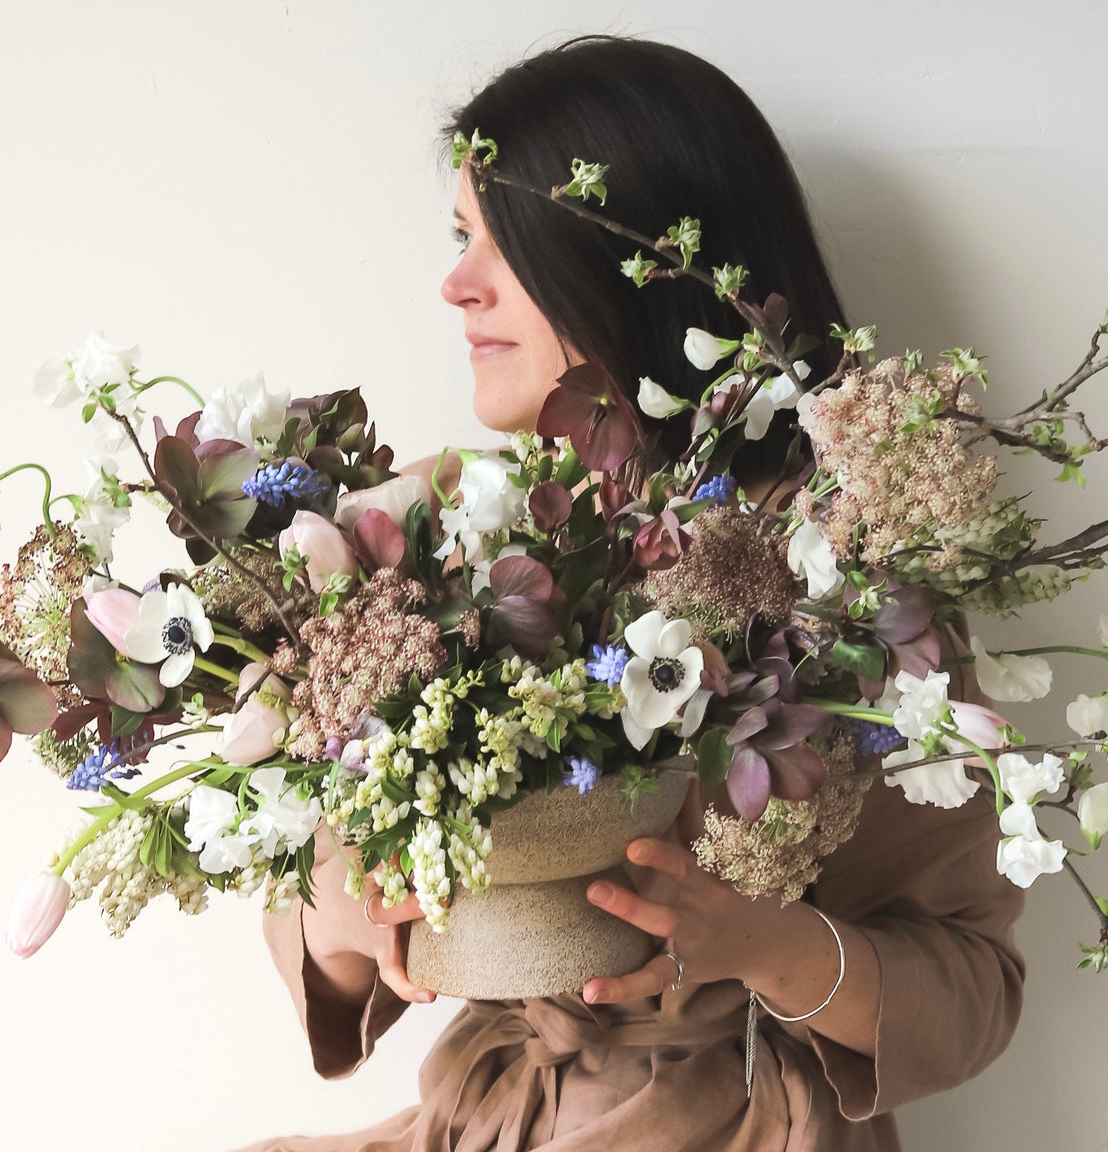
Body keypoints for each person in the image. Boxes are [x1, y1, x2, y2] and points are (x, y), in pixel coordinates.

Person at [233, 34, 1024, 1152]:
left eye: (505, 243)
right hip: (491, 1114)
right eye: (463, 236)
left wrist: (762, 943)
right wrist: (359, 918)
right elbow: (310, 908)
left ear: (629, 263)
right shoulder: (432, 542)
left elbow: (972, 987)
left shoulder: (841, 587)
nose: (456, 284)